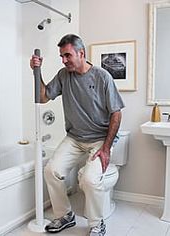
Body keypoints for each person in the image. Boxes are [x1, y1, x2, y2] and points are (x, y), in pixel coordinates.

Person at [30, 34, 124, 236]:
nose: (64, 60)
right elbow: (43, 97)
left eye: (67, 55)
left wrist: (106, 148)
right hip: (74, 138)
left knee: (89, 179)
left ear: (81, 53)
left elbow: (117, 113)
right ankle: (65, 215)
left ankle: (97, 223)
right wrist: (36, 72)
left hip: (99, 139)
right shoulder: (64, 75)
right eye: (61, 56)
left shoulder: (102, 76)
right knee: (51, 170)